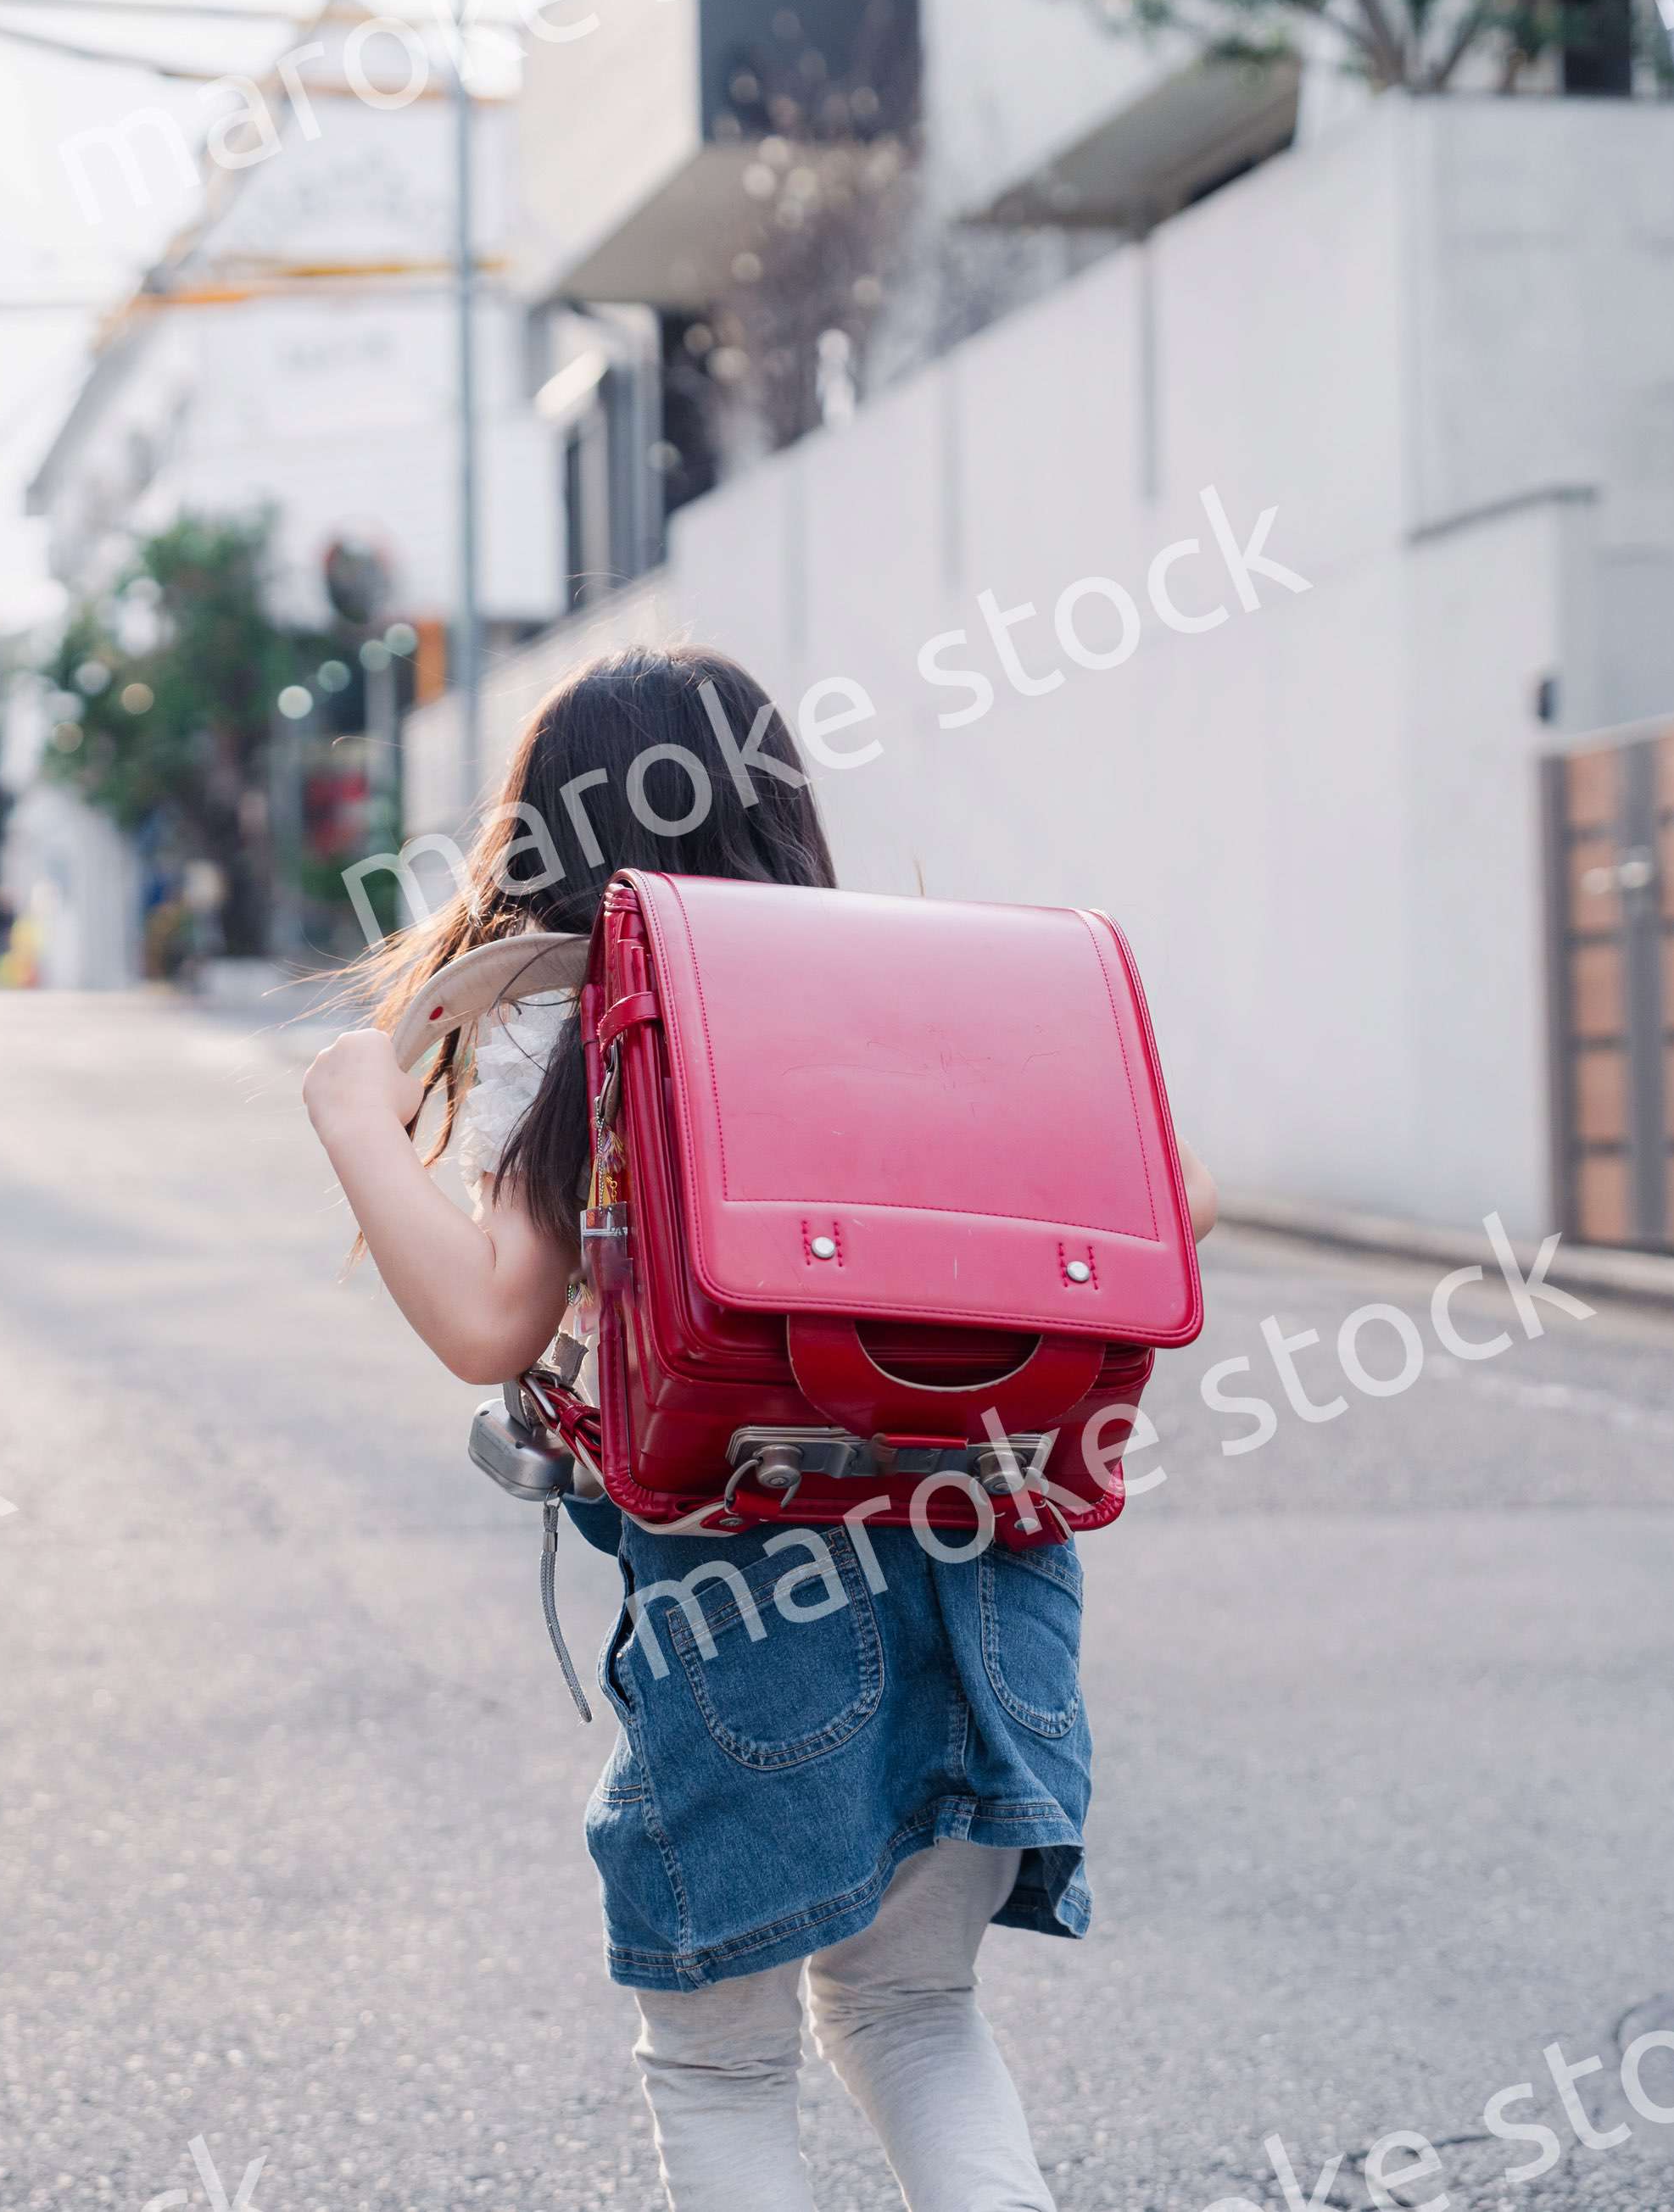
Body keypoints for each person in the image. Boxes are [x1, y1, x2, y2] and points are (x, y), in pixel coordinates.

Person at [303, 646, 1217, 2210]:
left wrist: (347, 1121)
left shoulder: (591, 1006)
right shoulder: (909, 999)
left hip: (757, 1620)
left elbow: (489, 1322)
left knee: (722, 2069)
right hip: (996, 1589)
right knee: (919, 2013)